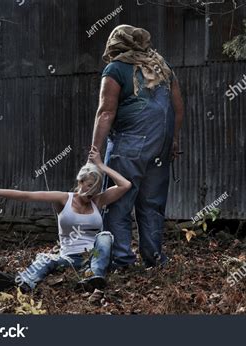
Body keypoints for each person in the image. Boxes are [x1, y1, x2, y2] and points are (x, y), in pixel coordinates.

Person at [0, 146, 131, 292]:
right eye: (89, 185)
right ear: (80, 182)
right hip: (68, 258)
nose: (91, 191)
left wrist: (101, 165)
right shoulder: (63, 199)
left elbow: (125, 185)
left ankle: (95, 278)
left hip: (92, 258)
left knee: (104, 237)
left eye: (95, 188)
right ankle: (22, 282)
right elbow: (27, 196)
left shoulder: (98, 201)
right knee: (46, 259)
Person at [90, 24, 184, 268]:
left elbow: (105, 113)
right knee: (152, 204)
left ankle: (122, 261)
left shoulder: (116, 68)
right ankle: (153, 259)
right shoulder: (163, 67)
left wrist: (95, 153)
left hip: (129, 145)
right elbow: (178, 108)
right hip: (160, 146)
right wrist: (173, 140)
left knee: (117, 202)